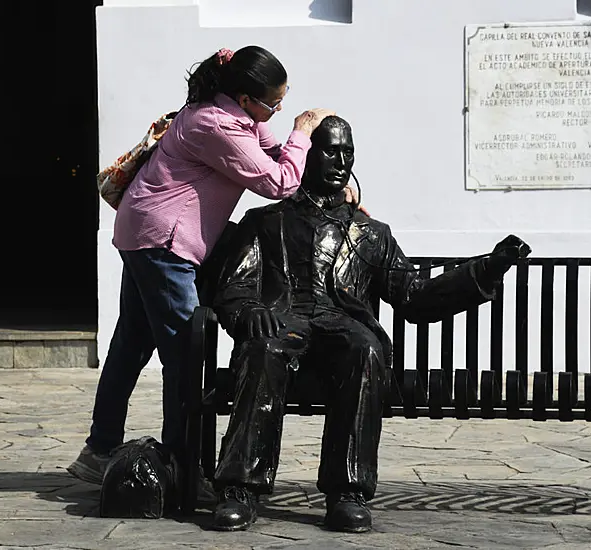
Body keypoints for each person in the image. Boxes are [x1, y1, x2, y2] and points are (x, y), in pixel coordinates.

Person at [208, 115, 531, 532]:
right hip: (284, 323)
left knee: (366, 348)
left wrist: (486, 269)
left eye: (348, 153)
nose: (341, 161)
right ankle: (239, 488)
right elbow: (234, 287)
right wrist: (249, 310)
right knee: (265, 344)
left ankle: (348, 492)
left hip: (341, 327)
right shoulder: (266, 222)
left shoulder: (371, 233)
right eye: (330, 150)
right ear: (306, 154)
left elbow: (413, 297)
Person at [67, 46, 355, 496]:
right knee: (184, 357)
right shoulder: (213, 125)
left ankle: (99, 449)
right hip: (164, 243)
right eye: (272, 103)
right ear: (244, 97)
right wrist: (302, 131)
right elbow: (278, 182)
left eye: (283, 102)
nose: (277, 111)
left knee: (131, 343)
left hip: (143, 231)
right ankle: (182, 468)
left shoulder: (234, 117)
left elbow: (273, 153)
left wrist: (313, 162)